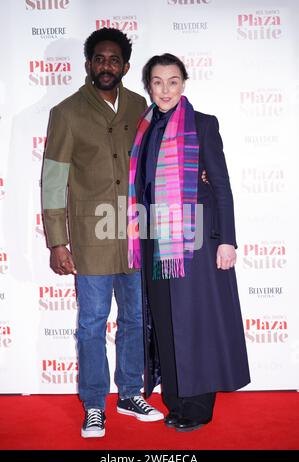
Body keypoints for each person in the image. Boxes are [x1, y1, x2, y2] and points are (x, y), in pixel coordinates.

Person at [41, 28, 164, 439]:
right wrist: (58, 242)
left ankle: (130, 393)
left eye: (114, 60)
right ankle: (95, 404)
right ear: (88, 64)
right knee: (92, 323)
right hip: (92, 239)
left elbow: (152, 167)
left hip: (134, 233)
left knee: (135, 319)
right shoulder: (67, 112)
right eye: (99, 59)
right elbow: (54, 182)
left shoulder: (139, 106)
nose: (106, 66)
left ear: (125, 66)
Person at [128, 53, 251, 432]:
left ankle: (198, 406)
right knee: (166, 322)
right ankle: (176, 400)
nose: (165, 89)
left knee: (195, 322)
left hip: (195, 240)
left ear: (184, 84)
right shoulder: (144, 128)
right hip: (155, 239)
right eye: (158, 82)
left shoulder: (202, 124)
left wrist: (227, 241)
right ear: (148, 85)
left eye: (173, 81)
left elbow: (223, 186)